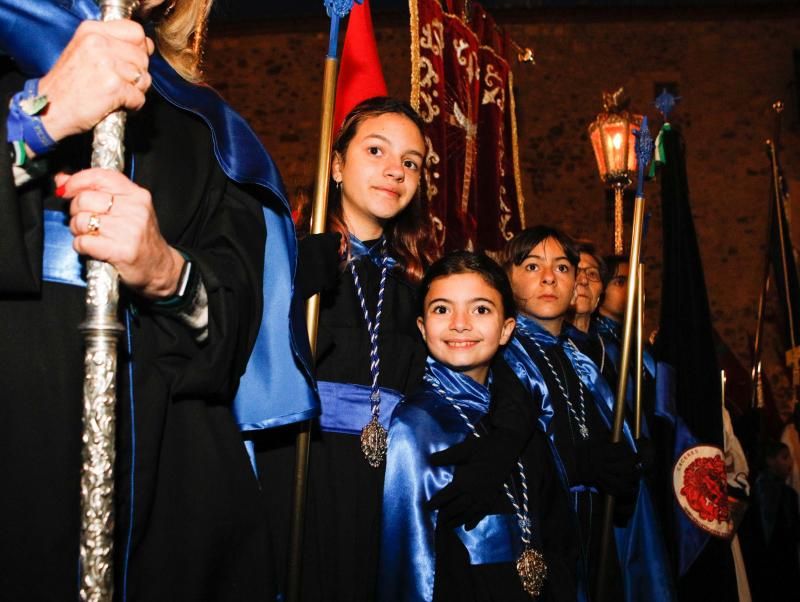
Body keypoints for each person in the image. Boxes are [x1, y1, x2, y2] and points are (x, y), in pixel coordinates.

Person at [0, 0, 316, 599]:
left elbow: (230, 319)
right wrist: (39, 119)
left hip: (166, 474)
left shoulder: (205, 123)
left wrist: (166, 272)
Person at [379, 251, 576, 602]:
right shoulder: (415, 428)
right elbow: (409, 566)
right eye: (442, 309)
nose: (460, 323)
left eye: (481, 309)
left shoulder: (520, 421)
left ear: (506, 329)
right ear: (423, 328)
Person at [501, 226, 674, 601]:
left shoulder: (581, 363)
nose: (549, 277)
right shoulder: (504, 356)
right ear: (508, 279)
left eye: (562, 268)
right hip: (542, 538)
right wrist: (577, 464)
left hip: (596, 536)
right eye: (532, 266)